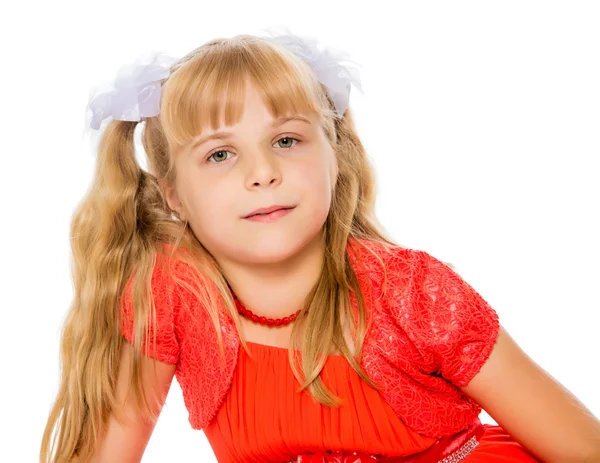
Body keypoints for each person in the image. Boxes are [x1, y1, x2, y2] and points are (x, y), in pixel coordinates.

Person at [40, 27, 600, 463]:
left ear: (335, 155)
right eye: (219, 153)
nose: (262, 172)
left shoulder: (414, 293)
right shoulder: (174, 297)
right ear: (173, 195)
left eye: (287, 140)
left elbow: (582, 447)